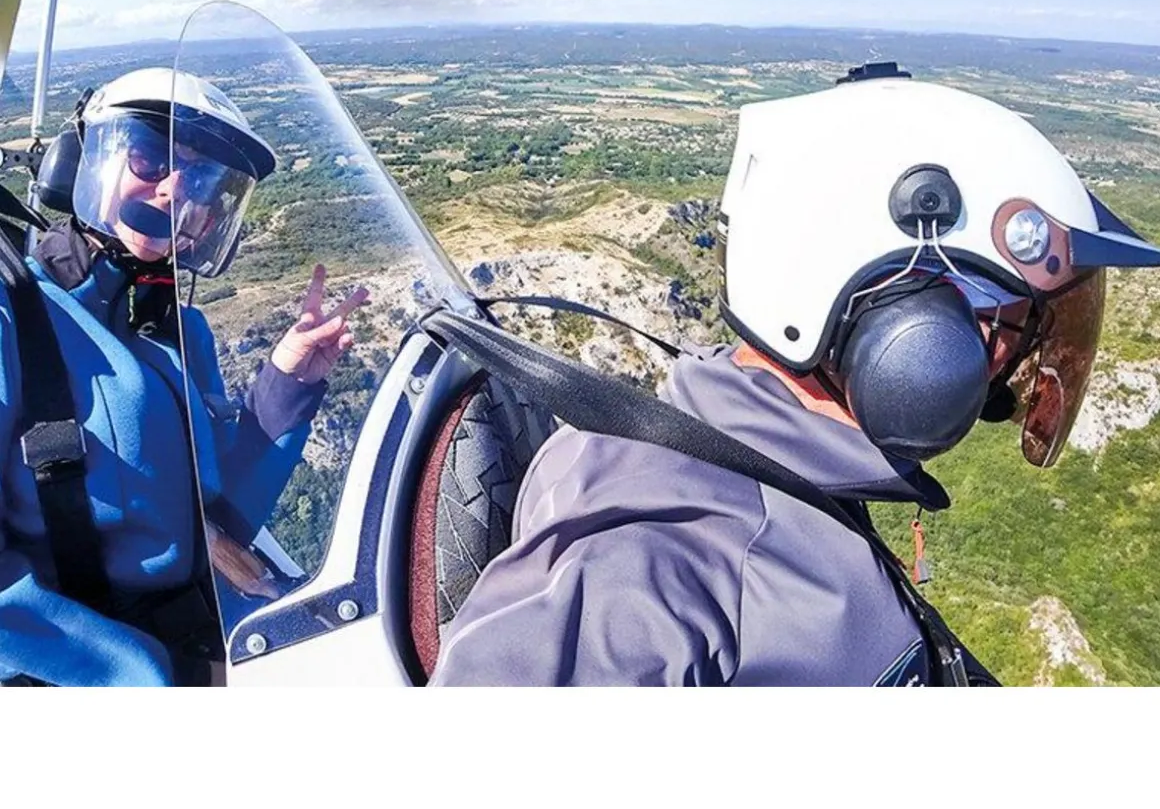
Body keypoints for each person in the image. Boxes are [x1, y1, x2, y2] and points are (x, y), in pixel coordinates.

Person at [428, 62, 1160, 686]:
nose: (1019, 357)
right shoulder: (661, 560)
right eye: (1015, 318)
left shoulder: (765, 460)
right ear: (904, 320)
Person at [0, 68, 367, 686]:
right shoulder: (13, 312)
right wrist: (135, 676)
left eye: (200, 176)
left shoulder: (179, 329)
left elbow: (211, 512)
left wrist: (286, 383)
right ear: (84, 161)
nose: (176, 188)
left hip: (197, 639)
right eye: (148, 157)